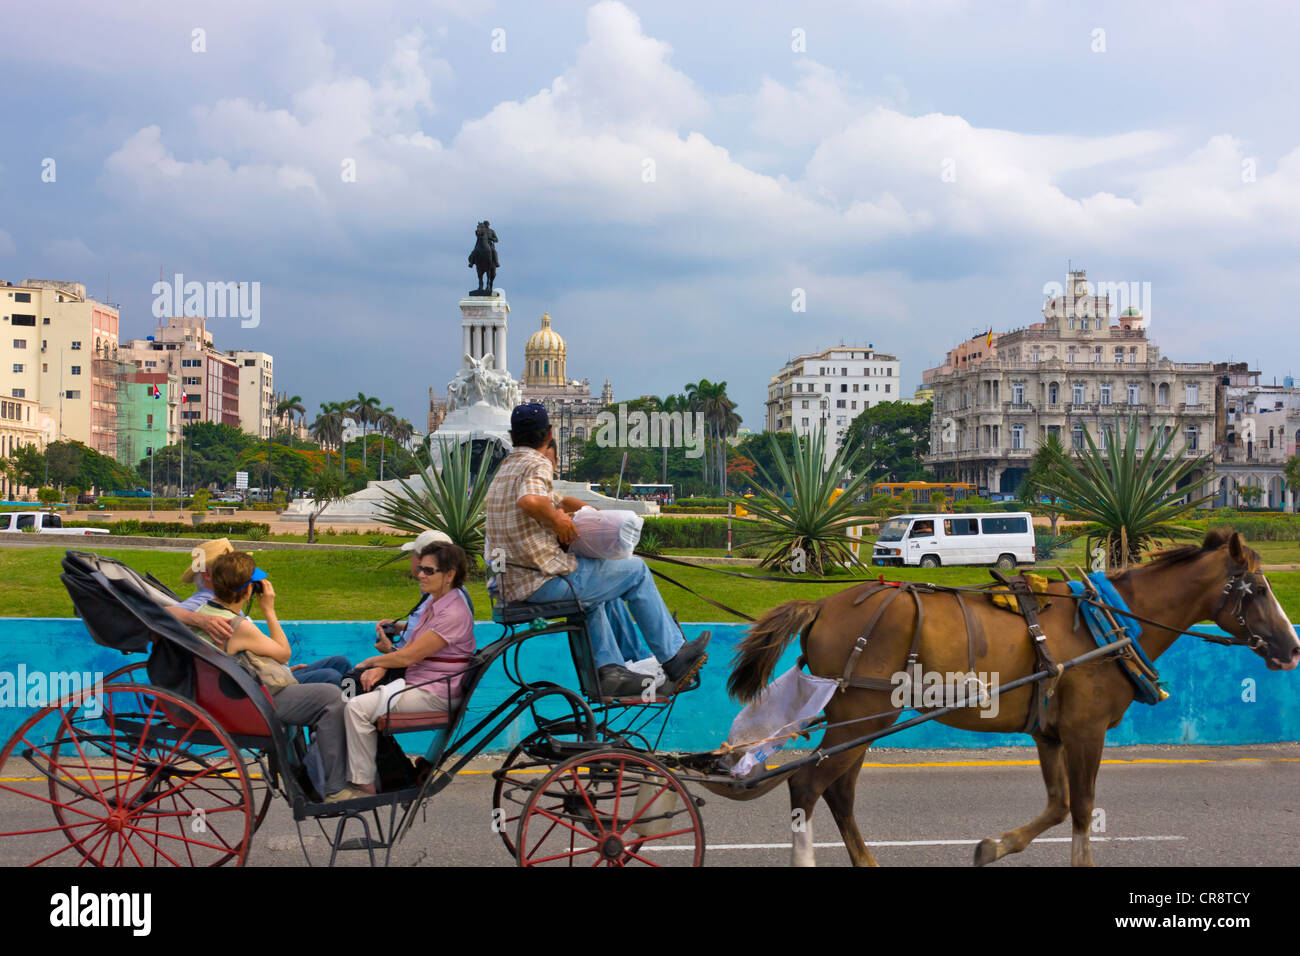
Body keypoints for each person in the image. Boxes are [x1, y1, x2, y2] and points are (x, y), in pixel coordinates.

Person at [484, 402, 709, 698]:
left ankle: (615, 669)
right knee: (636, 571)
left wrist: (592, 513)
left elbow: (556, 498)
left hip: (509, 582)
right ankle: (673, 657)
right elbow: (531, 502)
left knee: (599, 592)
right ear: (550, 434)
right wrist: (559, 522)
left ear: (513, 436)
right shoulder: (536, 463)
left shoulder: (507, 467)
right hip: (538, 583)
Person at [190, 550, 363, 803]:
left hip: (248, 685)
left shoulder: (207, 612)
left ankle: (327, 742)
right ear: (248, 590)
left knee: (338, 665)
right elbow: (283, 653)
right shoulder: (238, 626)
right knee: (333, 696)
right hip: (254, 699)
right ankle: (335, 787)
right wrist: (269, 610)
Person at [344, 541, 476, 794]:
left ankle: (364, 782)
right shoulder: (437, 600)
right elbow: (417, 640)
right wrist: (398, 630)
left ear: (449, 575)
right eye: (420, 568)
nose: (419, 575)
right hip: (418, 681)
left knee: (355, 707)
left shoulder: (453, 613)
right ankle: (388, 770)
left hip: (433, 693)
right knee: (347, 688)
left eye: (428, 571)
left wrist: (373, 662)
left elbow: (407, 658)